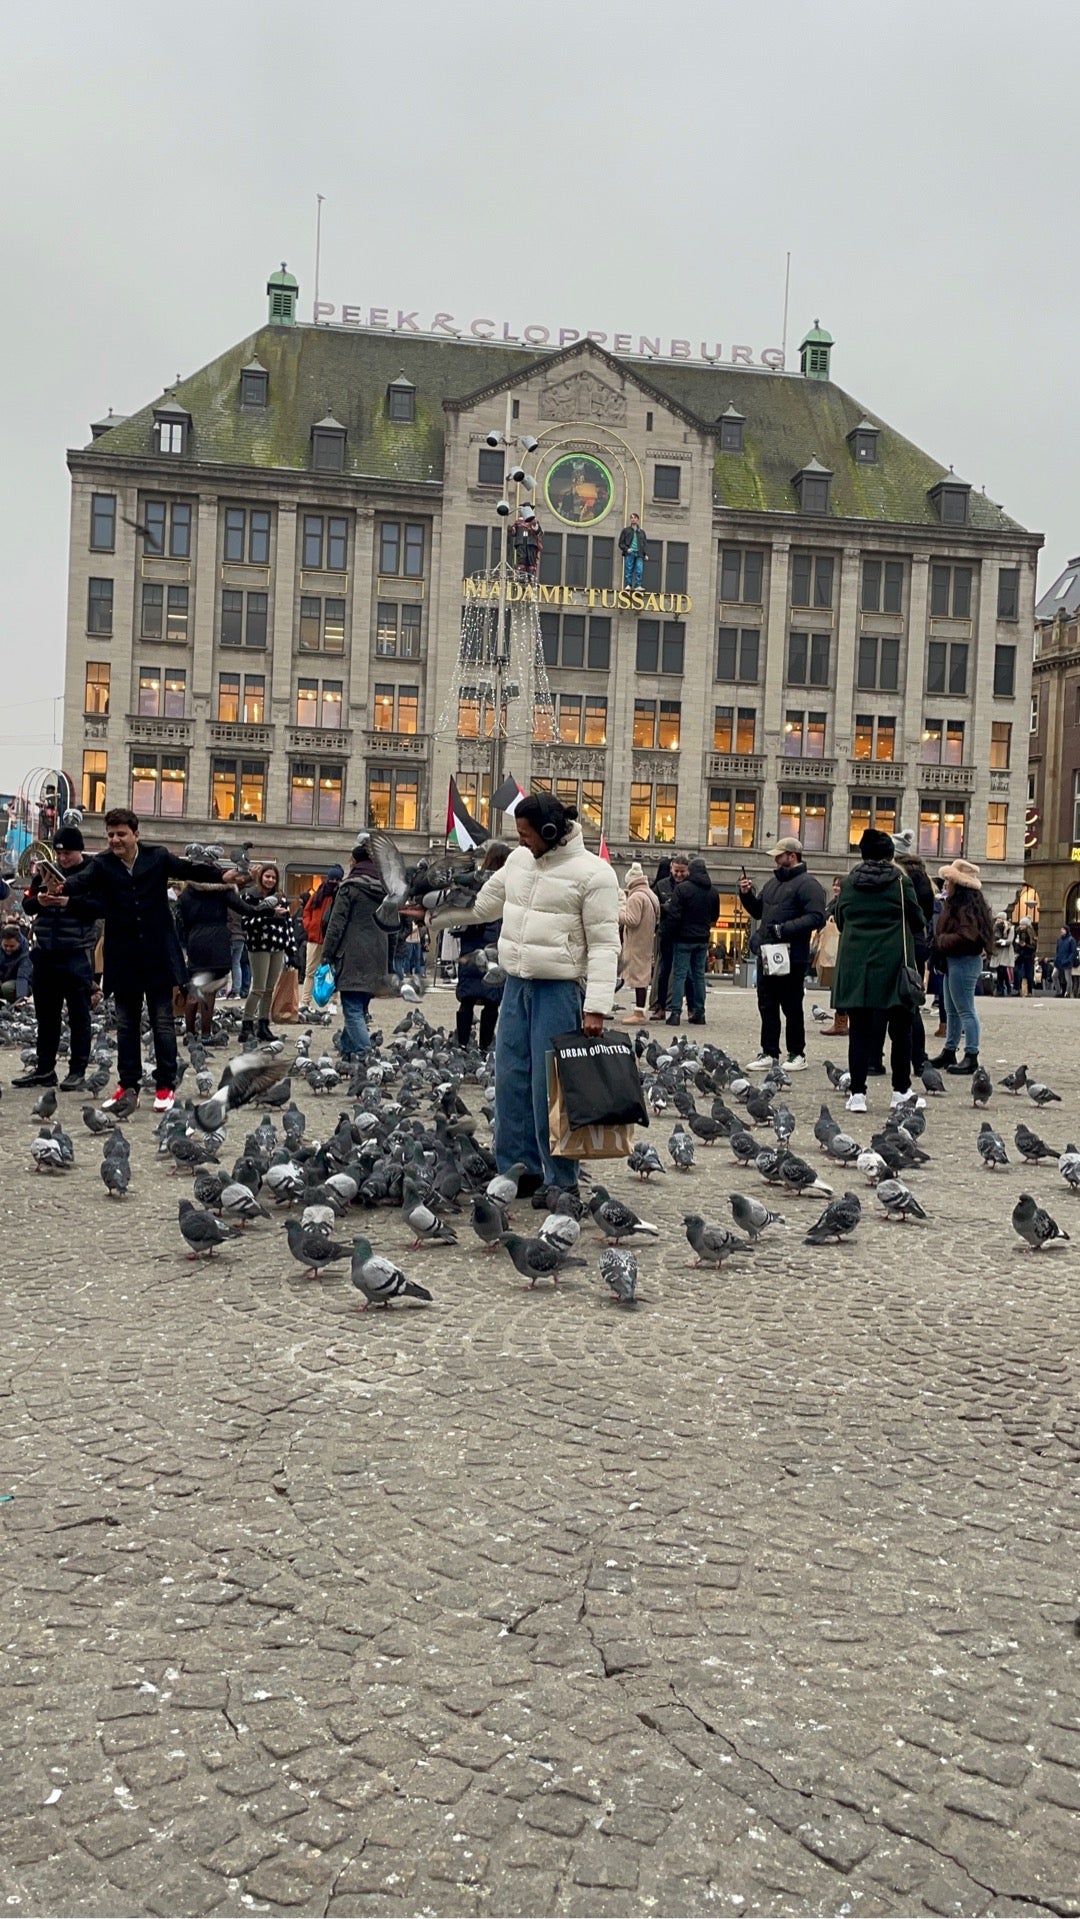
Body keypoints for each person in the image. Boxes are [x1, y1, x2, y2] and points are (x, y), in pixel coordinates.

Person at [433, 793, 620, 1204]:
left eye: (525, 834)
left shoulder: (595, 874)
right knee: (511, 1081)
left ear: (549, 832)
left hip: (558, 989)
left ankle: (561, 1178)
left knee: (550, 1088)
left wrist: (596, 1007)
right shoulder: (518, 862)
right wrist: (432, 914)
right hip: (515, 985)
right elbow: (483, 905)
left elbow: (607, 944)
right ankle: (518, 1170)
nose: (520, 842)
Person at [55, 807, 238, 1112]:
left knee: (163, 1023)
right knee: (126, 1025)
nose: (115, 840)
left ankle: (165, 1085)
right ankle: (128, 1085)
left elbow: (187, 869)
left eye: (121, 834)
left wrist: (222, 874)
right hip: (122, 955)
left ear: (135, 834)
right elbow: (81, 882)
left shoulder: (157, 857)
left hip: (157, 953)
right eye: (111, 834)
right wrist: (61, 889)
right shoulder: (101, 864)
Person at [831, 829, 926, 1115]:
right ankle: (900, 1091)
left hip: (857, 965)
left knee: (859, 1031)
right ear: (890, 854)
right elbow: (918, 920)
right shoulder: (900, 883)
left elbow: (839, 919)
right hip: (893, 965)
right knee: (901, 1030)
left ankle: (858, 1094)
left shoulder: (848, 884)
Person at [15, 827, 100, 1090]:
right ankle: (44, 1069)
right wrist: (40, 900)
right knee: (46, 1016)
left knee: (78, 1015)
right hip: (45, 952)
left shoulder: (91, 873)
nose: (63, 858)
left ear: (80, 850)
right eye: (60, 852)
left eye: (68, 853)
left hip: (76, 952)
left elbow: (100, 908)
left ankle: (77, 1071)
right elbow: (27, 906)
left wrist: (68, 903)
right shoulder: (46, 870)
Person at [740, 835, 827, 1070]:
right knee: (767, 1004)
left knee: (791, 1005)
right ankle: (769, 1052)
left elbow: (816, 917)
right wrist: (746, 895)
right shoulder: (772, 883)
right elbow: (759, 912)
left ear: (792, 856)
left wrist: (784, 929)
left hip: (792, 954)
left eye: (779, 855)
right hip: (769, 952)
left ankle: (797, 1053)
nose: (776, 860)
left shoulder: (809, 884)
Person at [320, 836, 402, 1064]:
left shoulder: (350, 887)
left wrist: (327, 955)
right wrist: (389, 962)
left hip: (352, 955)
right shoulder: (389, 891)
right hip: (378, 956)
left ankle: (367, 1054)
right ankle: (347, 1051)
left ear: (355, 861)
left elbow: (336, 924)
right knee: (359, 1005)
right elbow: (394, 929)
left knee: (353, 1008)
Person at [930, 858, 996, 1075]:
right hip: (956, 960)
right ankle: (950, 1050)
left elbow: (967, 937)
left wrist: (940, 941)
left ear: (958, 884)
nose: (946, 884)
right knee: (952, 1010)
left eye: (949, 881)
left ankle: (971, 1054)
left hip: (963, 960)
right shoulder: (962, 905)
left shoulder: (965, 908)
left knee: (965, 1010)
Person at [177, 874, 249, 1037]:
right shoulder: (220, 891)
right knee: (209, 990)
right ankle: (206, 1033)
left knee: (194, 989)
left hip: (195, 940)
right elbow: (243, 908)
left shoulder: (187, 893)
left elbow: (183, 921)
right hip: (216, 941)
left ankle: (189, 1033)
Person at [455, 841, 510, 1049]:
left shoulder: (474, 882)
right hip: (495, 944)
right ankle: (485, 1045)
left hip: (472, 945)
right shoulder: (506, 883)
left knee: (467, 999)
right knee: (491, 1001)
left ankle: (461, 1043)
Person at [892, 834, 936, 1075]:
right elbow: (925, 916)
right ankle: (918, 1058)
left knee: (891, 1002)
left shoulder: (900, 877)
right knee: (911, 1000)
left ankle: (874, 1060)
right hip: (917, 943)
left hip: (900, 941)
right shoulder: (924, 879)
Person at [240, 863, 295, 1044]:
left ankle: (263, 1024)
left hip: (277, 946)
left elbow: (287, 924)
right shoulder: (250, 895)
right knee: (258, 988)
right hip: (258, 946)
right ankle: (247, 1024)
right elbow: (246, 923)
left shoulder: (280, 897)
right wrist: (269, 913)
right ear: (261, 877)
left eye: (273, 877)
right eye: (267, 876)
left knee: (270, 988)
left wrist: (291, 949)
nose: (270, 880)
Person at [665, 858, 719, 1027]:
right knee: (699, 977)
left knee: (679, 975)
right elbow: (715, 917)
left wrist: (668, 933)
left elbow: (674, 916)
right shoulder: (713, 892)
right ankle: (699, 1012)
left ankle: (675, 1013)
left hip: (683, 939)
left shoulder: (682, 889)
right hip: (702, 939)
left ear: (690, 871)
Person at [649, 855, 692, 1019]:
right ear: (671, 869)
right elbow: (654, 908)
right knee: (663, 971)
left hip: (685, 934)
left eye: (682, 871)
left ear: (687, 870)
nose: (679, 874)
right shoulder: (661, 885)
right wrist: (666, 908)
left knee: (687, 973)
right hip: (666, 934)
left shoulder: (690, 887)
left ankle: (691, 1009)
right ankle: (660, 1007)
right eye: (676, 871)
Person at [618, 862, 660, 1024]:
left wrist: (619, 913)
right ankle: (639, 1010)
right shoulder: (650, 894)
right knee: (641, 975)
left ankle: (639, 1013)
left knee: (638, 978)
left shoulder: (636, 896)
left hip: (636, 941)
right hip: (647, 939)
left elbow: (632, 920)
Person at [301, 865, 343, 1009]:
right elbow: (307, 911)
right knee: (310, 971)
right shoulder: (317, 894)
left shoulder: (340, 896)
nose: (333, 882)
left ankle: (333, 1002)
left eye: (337, 879)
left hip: (331, 939)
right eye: (332, 878)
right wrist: (309, 926)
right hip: (314, 937)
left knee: (332, 971)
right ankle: (305, 1001)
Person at [0, 922, 32, 1004]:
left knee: (7, 988)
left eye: (12, 946)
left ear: (19, 943)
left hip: (23, 984)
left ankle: (16, 1006)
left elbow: (22, 977)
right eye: (5, 945)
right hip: (5, 978)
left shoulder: (25, 955)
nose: (8, 949)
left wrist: (21, 998)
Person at [510, 506, 543, 582]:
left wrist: (533, 525)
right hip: (521, 543)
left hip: (531, 543)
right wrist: (511, 529)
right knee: (522, 559)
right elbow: (513, 533)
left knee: (531, 560)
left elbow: (538, 532)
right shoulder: (518, 523)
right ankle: (522, 576)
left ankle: (531, 576)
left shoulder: (534, 522)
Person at [618, 513, 648, 590]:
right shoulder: (626, 530)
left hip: (639, 553)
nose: (633, 519)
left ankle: (638, 585)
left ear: (637, 519)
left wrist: (645, 554)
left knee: (639, 570)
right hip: (630, 552)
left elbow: (644, 544)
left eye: (634, 518)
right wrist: (627, 549)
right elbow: (621, 543)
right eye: (631, 518)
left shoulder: (641, 532)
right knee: (629, 569)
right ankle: (628, 584)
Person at [1013, 917, 1037, 998]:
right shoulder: (1017, 932)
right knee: (1016, 972)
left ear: (1027, 925)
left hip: (1028, 956)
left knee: (1029, 974)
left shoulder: (1031, 934)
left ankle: (1030, 991)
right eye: (1020, 924)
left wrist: (1025, 945)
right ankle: (1017, 989)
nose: (1021, 926)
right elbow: (1015, 944)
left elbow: (1033, 947)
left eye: (1023, 925)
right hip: (1019, 955)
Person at [992, 915, 1015, 996]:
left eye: (1000, 918)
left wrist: (1003, 941)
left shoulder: (1010, 928)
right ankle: (1004, 988)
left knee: (1003, 969)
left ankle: (1002, 989)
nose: (998, 920)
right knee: (999, 970)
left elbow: (1010, 940)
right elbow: (993, 938)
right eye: (997, 918)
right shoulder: (995, 927)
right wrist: (995, 943)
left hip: (1006, 951)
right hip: (998, 951)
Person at [1054, 924, 1078, 998]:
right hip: (1059, 961)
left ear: (1066, 931)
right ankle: (1058, 991)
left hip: (1067, 961)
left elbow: (1073, 952)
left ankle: (1068, 992)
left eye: (1063, 929)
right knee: (1054, 975)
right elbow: (1057, 951)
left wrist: (1069, 960)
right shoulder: (1059, 940)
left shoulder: (1071, 940)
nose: (1061, 931)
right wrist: (1056, 959)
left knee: (1068, 978)